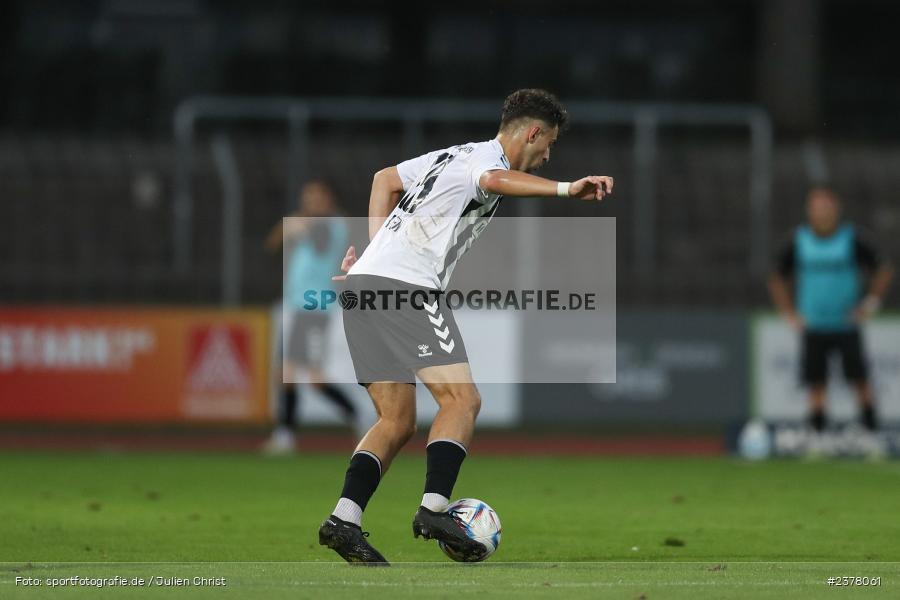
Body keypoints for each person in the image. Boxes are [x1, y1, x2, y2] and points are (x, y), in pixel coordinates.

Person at [317, 89, 614, 564]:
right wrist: (565, 189)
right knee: (463, 400)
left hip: (367, 286)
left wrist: (374, 255)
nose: (547, 155)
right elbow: (495, 179)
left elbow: (383, 180)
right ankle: (434, 510)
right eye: (549, 144)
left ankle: (343, 521)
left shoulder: (449, 154)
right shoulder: (483, 159)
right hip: (406, 287)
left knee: (396, 421)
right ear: (533, 132)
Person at [768, 185, 893, 442]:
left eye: (826, 206)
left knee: (859, 379)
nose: (822, 212)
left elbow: (884, 268)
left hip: (845, 323)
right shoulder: (799, 239)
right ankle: (817, 436)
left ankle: (871, 434)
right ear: (809, 211)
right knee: (816, 382)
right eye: (816, 207)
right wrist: (789, 313)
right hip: (814, 324)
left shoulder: (852, 238)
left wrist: (870, 303)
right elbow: (776, 276)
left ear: (836, 209)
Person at [263, 179, 361, 454]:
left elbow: (321, 244)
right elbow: (271, 245)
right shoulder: (303, 223)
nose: (310, 201)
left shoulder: (334, 225)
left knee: (310, 377)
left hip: (315, 307)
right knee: (287, 373)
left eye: (316, 196)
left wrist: (298, 226)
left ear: (329, 199)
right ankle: (285, 434)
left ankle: (357, 417)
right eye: (307, 196)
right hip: (296, 306)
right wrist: (288, 228)